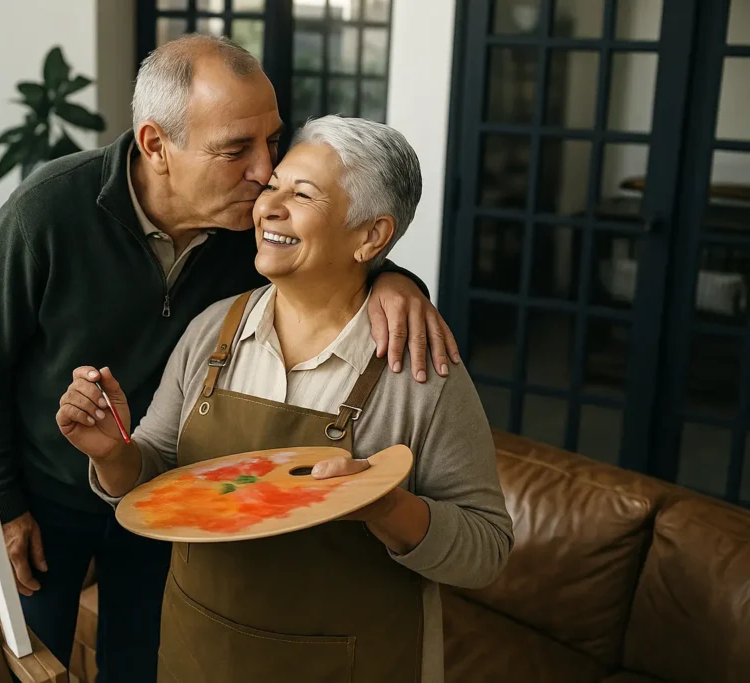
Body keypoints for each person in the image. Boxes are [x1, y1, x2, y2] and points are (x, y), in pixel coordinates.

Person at [0, 36, 460, 681]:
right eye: (235, 150)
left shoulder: (249, 224)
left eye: (271, 141)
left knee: (141, 666)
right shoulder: (47, 210)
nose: (264, 171)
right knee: (18, 665)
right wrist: (1, 507)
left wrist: (396, 281)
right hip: (44, 497)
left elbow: (336, 245)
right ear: (156, 146)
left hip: (170, 500)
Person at [59, 115, 513, 683]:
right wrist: (113, 453)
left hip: (350, 664)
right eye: (273, 186)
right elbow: (154, 476)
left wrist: (385, 507)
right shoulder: (211, 331)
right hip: (198, 649)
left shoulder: (419, 374)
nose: (267, 207)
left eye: (302, 195)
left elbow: (487, 549)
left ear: (371, 236)